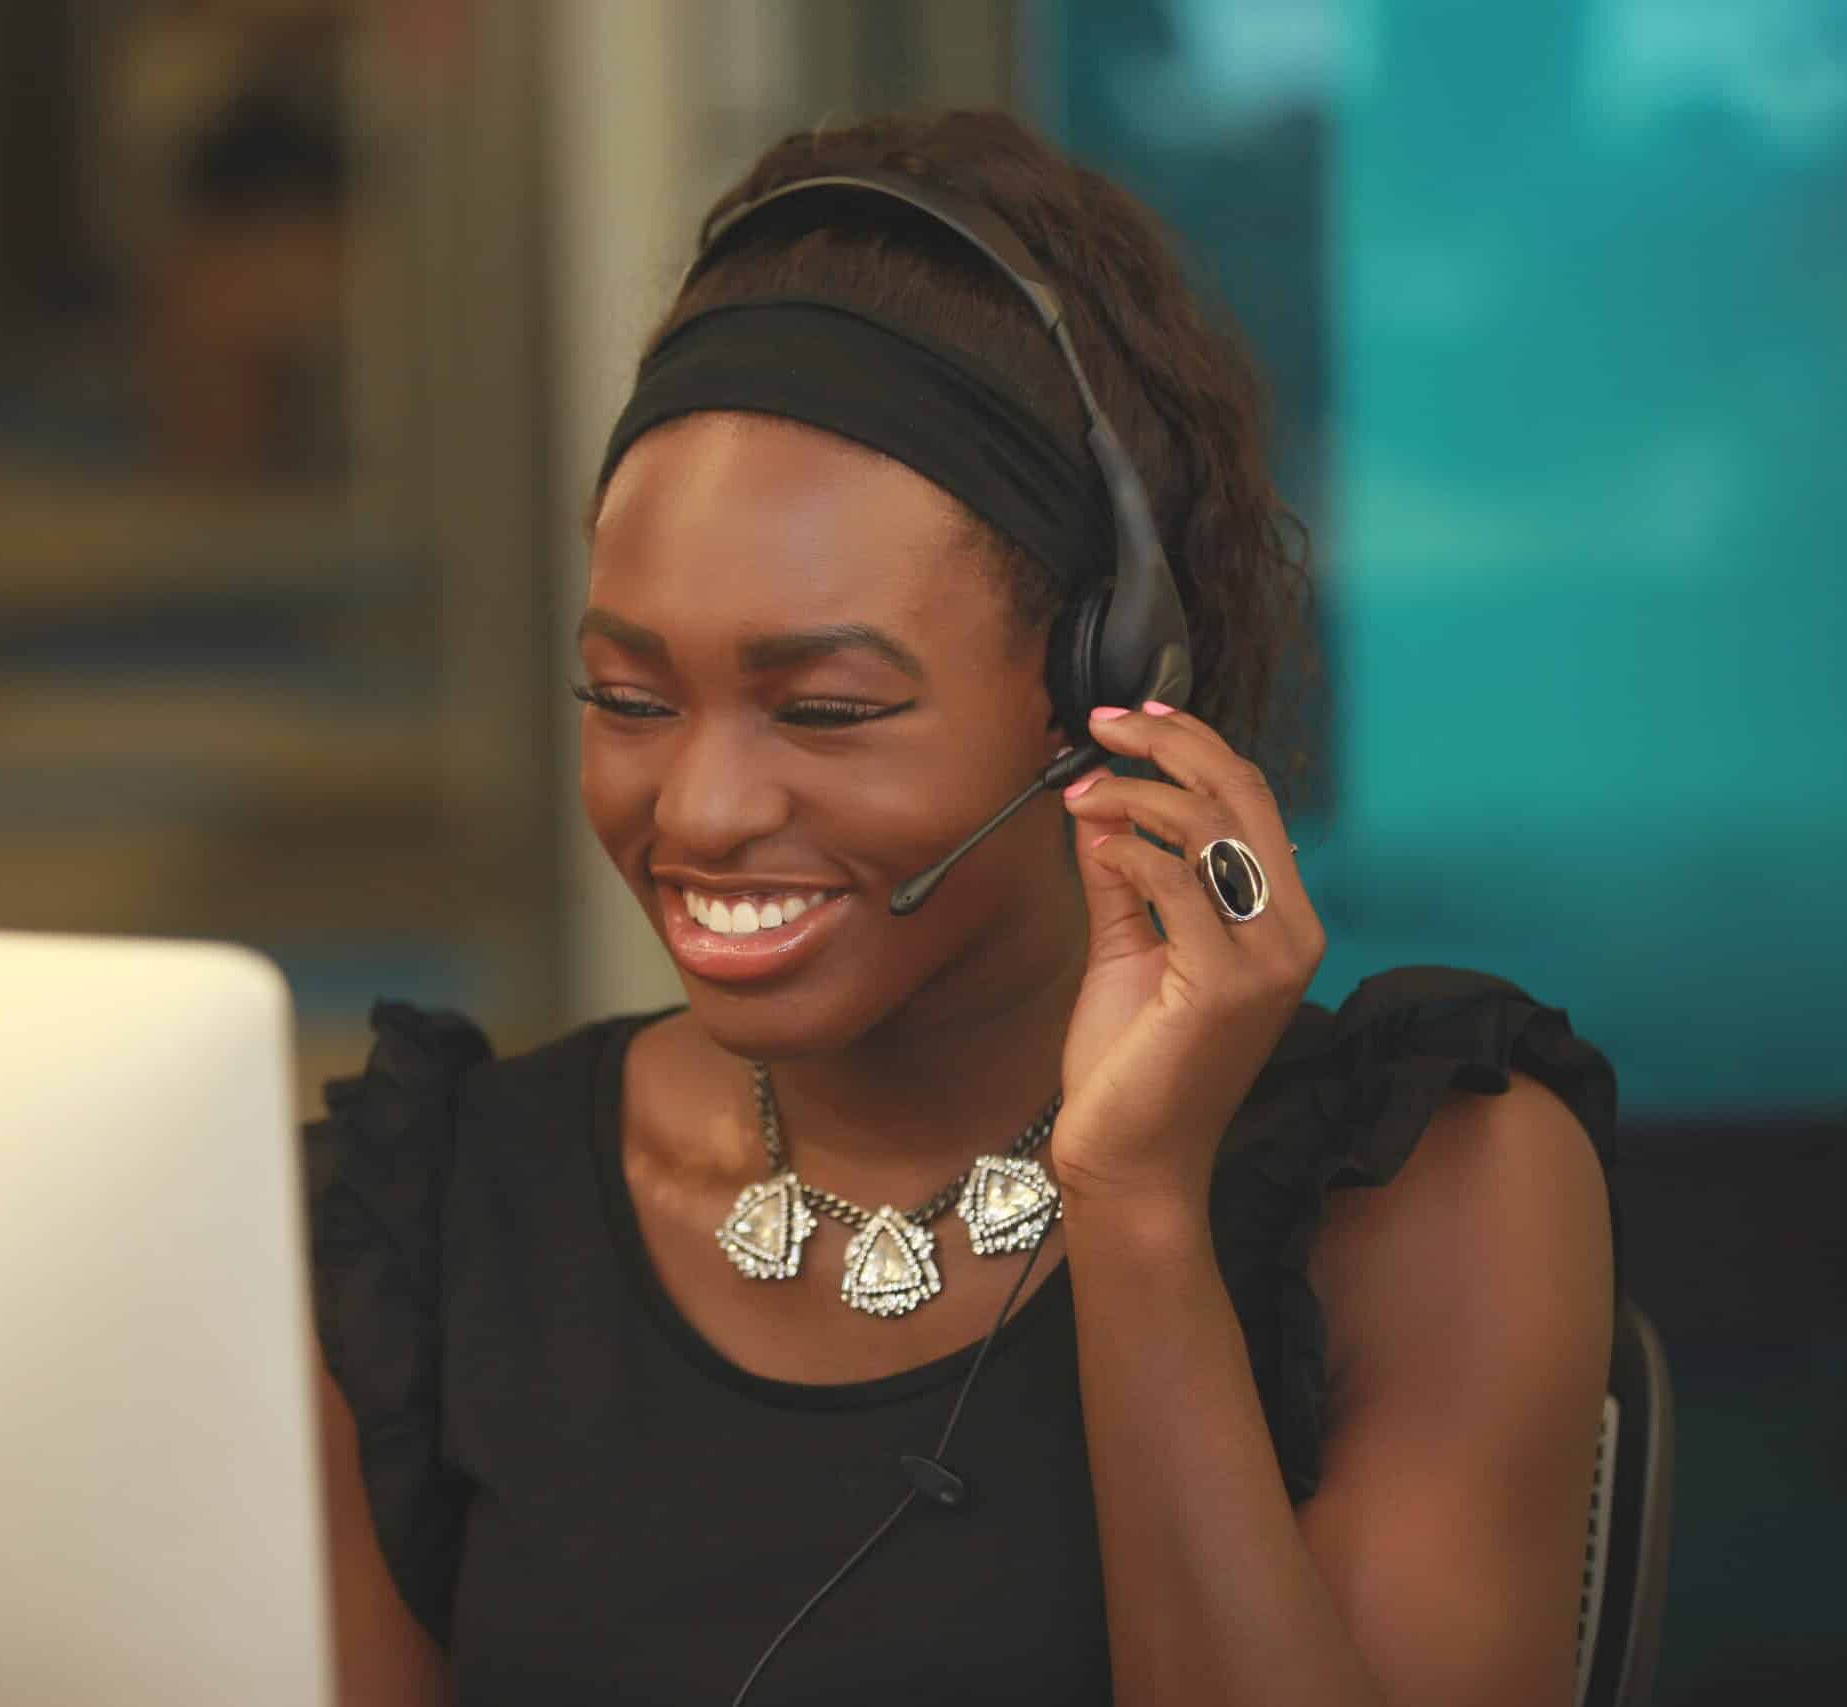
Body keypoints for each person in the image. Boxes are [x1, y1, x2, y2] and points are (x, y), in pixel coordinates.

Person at [306, 110, 1616, 1707]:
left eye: (830, 710)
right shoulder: (430, 1217)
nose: (699, 810)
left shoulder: (1426, 1190)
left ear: (1100, 700)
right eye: (626, 697)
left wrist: (1133, 1206)